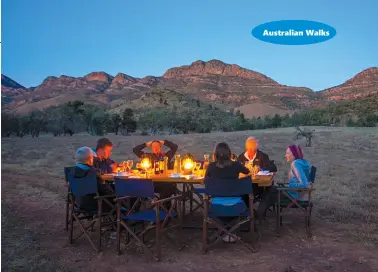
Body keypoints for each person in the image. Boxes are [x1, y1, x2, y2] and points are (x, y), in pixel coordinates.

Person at [205, 142, 251, 243]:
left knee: (220, 198)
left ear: (215, 154)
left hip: (216, 206)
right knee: (241, 198)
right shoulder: (236, 165)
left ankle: (224, 232)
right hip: (236, 205)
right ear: (229, 153)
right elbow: (248, 172)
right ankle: (230, 232)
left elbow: (206, 181)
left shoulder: (211, 166)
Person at [69, 146, 114, 212]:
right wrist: (116, 194)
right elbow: (106, 190)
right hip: (96, 205)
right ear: (90, 159)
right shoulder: (92, 173)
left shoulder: (72, 172)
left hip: (78, 203)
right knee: (119, 199)